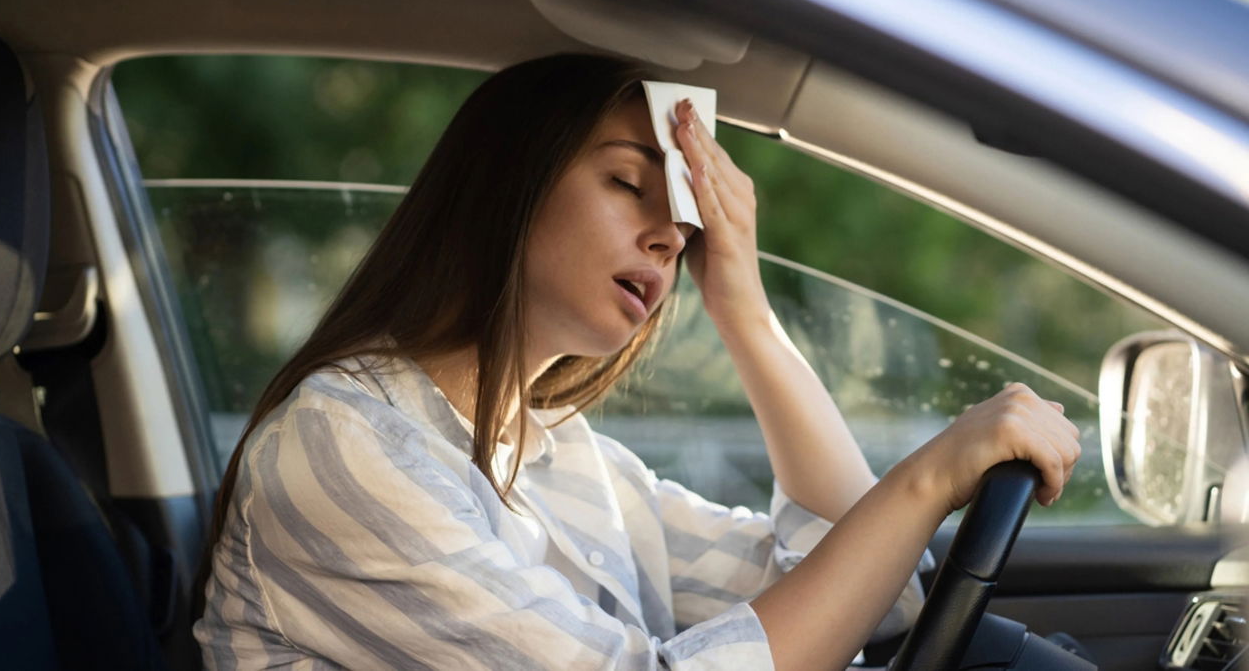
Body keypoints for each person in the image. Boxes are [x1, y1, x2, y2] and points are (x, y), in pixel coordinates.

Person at [193, 54, 1082, 670]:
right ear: (509, 184)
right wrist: (928, 479)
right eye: (627, 182)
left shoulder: (559, 455)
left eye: (686, 222)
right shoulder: (341, 446)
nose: (668, 235)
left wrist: (746, 311)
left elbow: (867, 596)